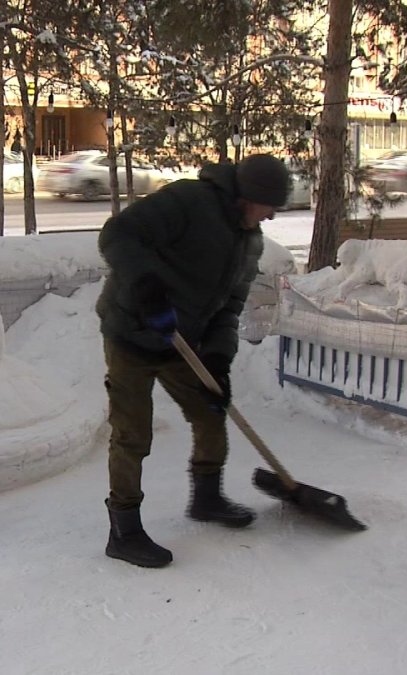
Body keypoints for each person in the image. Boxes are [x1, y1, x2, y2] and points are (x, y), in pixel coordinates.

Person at [95, 154, 291, 568]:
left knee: (210, 412)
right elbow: (119, 235)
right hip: (131, 332)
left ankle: (207, 498)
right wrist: (146, 286)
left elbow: (230, 306)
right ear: (247, 196)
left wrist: (218, 358)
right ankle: (124, 530)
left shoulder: (249, 240)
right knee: (132, 435)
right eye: (269, 205)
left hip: (183, 342)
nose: (272, 216)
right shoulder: (188, 200)